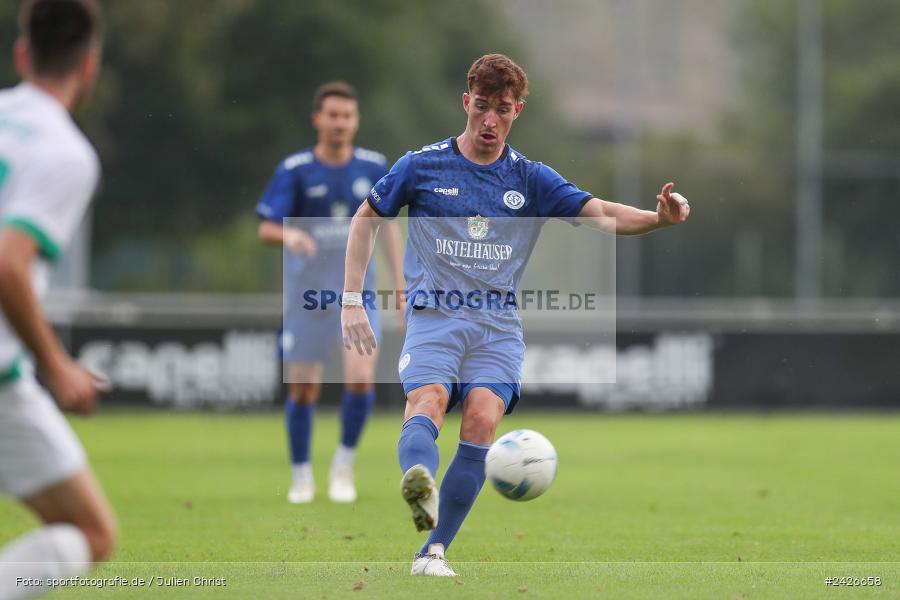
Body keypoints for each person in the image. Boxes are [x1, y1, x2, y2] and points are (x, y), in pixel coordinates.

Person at [341, 53, 690, 576]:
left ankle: (432, 552)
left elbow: (601, 214)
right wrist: (351, 300)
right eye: (481, 106)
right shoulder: (421, 165)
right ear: (466, 102)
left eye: (501, 110)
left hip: (497, 327)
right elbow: (365, 219)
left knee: (482, 419)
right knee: (429, 400)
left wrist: (656, 220)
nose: (489, 120)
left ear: (516, 111)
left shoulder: (531, 178)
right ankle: (419, 478)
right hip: (435, 315)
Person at [0, 0, 117, 597]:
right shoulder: (64, 152)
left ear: (22, 53)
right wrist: (57, 365)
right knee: (91, 532)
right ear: (89, 65)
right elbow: (7, 265)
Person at [257, 81, 404, 504]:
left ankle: (343, 466)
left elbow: (388, 226)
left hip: (358, 296)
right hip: (308, 297)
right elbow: (266, 225)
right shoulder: (296, 169)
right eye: (333, 115)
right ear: (317, 120)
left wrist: (400, 285)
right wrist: (291, 237)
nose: (340, 123)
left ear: (356, 121)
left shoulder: (375, 167)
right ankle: (302, 475)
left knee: (359, 380)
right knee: (304, 388)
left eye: (347, 116)